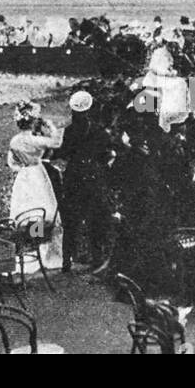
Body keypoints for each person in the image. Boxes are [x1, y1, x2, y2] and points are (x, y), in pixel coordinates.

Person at [55, 91, 115, 273]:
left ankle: (67, 260)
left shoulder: (69, 131)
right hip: (93, 177)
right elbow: (106, 155)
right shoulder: (100, 132)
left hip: (74, 176)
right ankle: (96, 259)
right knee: (95, 219)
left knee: (70, 219)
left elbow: (64, 153)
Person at [7, 101, 65, 272]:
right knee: (42, 210)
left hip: (24, 176)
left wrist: (21, 169)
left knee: (29, 211)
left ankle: (31, 251)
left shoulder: (15, 140)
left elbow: (11, 162)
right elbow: (56, 143)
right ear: (32, 122)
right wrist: (52, 127)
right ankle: (42, 251)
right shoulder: (34, 140)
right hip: (37, 175)